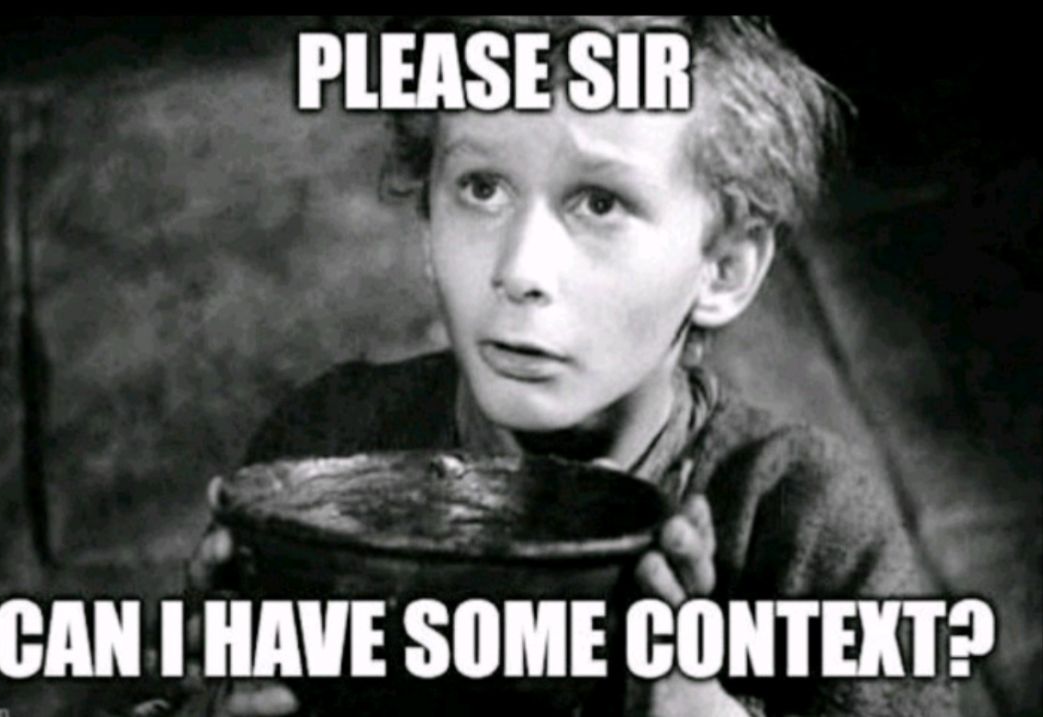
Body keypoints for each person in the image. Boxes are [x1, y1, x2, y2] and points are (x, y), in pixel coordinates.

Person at [182, 16, 957, 717]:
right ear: (426, 226)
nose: (519, 268)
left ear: (722, 268)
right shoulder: (324, 448)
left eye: (599, 203)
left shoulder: (802, 522)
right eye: (480, 189)